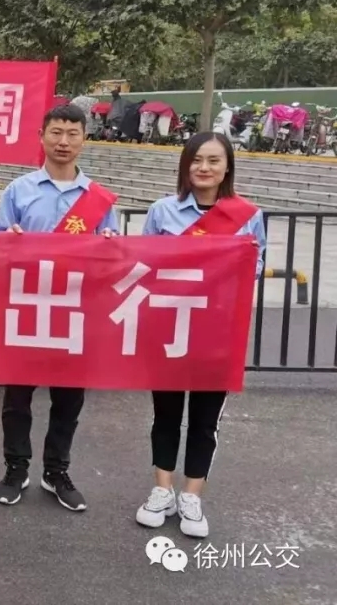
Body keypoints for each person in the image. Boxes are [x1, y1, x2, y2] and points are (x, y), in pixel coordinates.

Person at [0, 103, 119, 512]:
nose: (63, 141)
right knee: (17, 398)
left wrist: (110, 246)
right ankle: (15, 468)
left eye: (72, 134)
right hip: (27, 307)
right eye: (56, 133)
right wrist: (6, 238)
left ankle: (56, 470)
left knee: (68, 398)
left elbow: (114, 257)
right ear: (41, 137)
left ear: (84, 140)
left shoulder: (98, 199)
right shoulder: (19, 190)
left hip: (75, 312)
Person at [135, 131, 265, 538]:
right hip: (169, 326)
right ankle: (162, 490)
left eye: (213, 160)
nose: (203, 168)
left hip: (218, 330)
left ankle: (192, 495)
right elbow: (143, 262)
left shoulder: (248, 215)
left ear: (227, 167)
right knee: (166, 414)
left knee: (205, 420)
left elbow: (255, 266)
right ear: (185, 165)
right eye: (196, 160)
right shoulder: (162, 211)